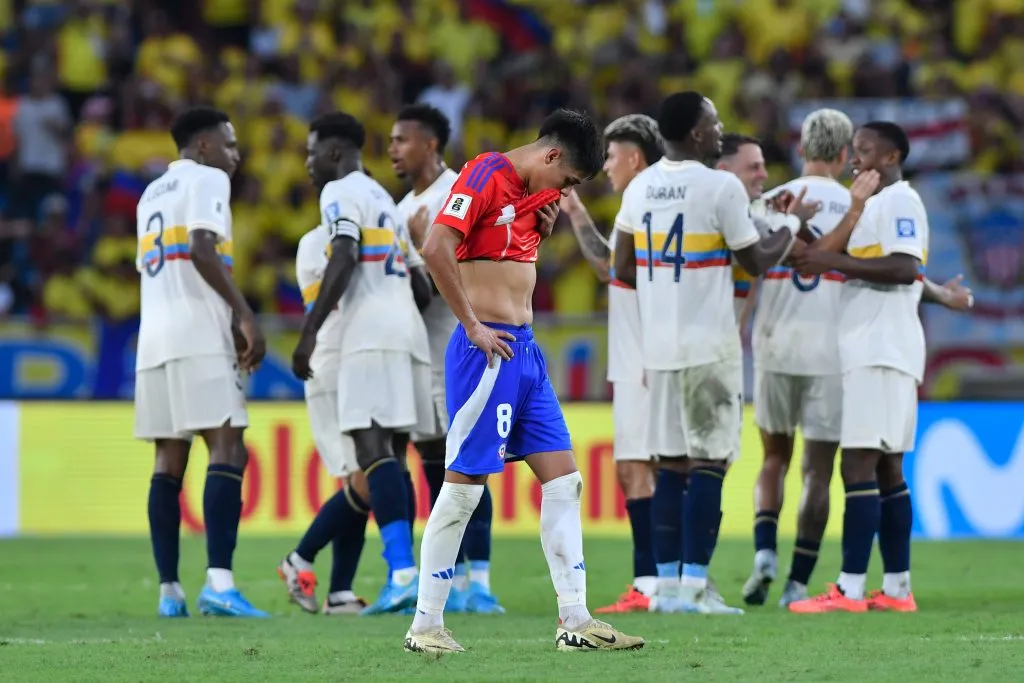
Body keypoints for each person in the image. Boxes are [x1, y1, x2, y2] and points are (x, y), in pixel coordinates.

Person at [405, 109, 645, 653]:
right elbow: (436, 248)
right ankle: (425, 626)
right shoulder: (485, 172)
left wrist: (547, 221)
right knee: (463, 490)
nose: (564, 190)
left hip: (525, 353)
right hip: (485, 349)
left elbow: (510, 249)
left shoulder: (532, 195)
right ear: (552, 155)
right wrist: (471, 326)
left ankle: (576, 622)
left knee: (565, 483)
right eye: (567, 180)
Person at [736, 112, 974, 607]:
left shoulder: (895, 200)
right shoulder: (863, 204)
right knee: (871, 469)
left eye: (866, 152)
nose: (856, 162)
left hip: (858, 347)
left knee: (844, 464)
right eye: (855, 151)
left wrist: (815, 247)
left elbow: (902, 266)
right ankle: (885, 587)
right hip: (848, 351)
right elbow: (820, 256)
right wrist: (811, 233)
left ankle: (845, 585)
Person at [612, 92, 800, 615]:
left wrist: (660, 287)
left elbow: (622, 268)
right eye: (714, 122)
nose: (720, 130)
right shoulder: (720, 186)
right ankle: (696, 586)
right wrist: (791, 229)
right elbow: (756, 260)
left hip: (660, 346)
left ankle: (668, 589)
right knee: (709, 463)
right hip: (709, 345)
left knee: (669, 466)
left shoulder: (640, 186)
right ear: (696, 133)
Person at [288, 112, 435, 616]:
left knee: (372, 455)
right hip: (407, 334)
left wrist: (308, 333)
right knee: (391, 461)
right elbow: (422, 289)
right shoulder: (388, 205)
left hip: (369, 336)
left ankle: (402, 574)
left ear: (332, 153)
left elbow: (344, 254)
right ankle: (400, 575)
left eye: (311, 154)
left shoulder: (341, 192)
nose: (308, 165)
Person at [134, 106, 268, 618]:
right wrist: (244, 313)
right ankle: (220, 583)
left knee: (169, 459)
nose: (236, 154)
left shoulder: (152, 193)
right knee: (227, 445)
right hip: (197, 332)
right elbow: (201, 249)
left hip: (155, 338)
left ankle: (170, 591)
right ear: (206, 145)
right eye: (230, 144)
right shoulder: (210, 178)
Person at [390, 103, 503, 614]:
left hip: (465, 350)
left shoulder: (457, 194)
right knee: (438, 469)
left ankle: (479, 580)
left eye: (402, 140)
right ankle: (451, 578)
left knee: (468, 464)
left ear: (430, 144)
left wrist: (421, 247)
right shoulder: (401, 208)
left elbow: (456, 281)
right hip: (423, 357)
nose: (393, 149)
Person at [559, 114, 664, 613]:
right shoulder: (663, 201)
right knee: (660, 469)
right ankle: (673, 578)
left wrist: (576, 215)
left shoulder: (639, 199)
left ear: (635, 158)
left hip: (640, 354)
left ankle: (651, 582)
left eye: (612, 156)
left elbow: (609, 269)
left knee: (637, 469)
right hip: (653, 350)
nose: (607, 166)